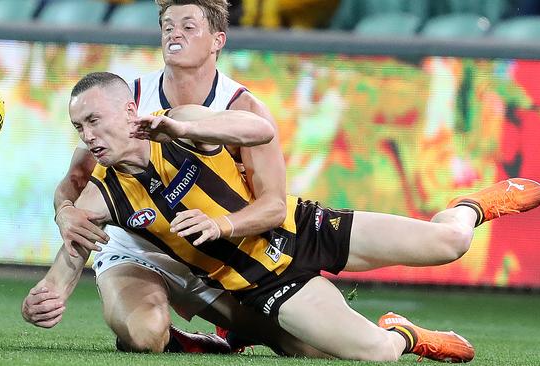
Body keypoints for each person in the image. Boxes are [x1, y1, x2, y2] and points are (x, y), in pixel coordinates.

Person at [66, 71, 540, 362]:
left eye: (94, 120)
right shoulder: (105, 190)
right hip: (267, 283)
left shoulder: (178, 121)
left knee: (451, 245)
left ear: (130, 109)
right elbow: (73, 234)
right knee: (374, 352)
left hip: (302, 227)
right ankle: (407, 333)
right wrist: (56, 257)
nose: (87, 135)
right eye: (78, 126)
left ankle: (469, 207)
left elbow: (259, 129)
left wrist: (185, 128)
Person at [24, 0, 324, 356]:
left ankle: (235, 328)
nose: (175, 34)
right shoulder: (127, 99)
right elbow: (77, 179)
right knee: (145, 336)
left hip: (207, 252)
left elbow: (270, 198)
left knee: (307, 348)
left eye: (187, 25)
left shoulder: (239, 106)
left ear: (217, 39)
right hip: (137, 248)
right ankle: (183, 342)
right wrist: (63, 212)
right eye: (168, 26)